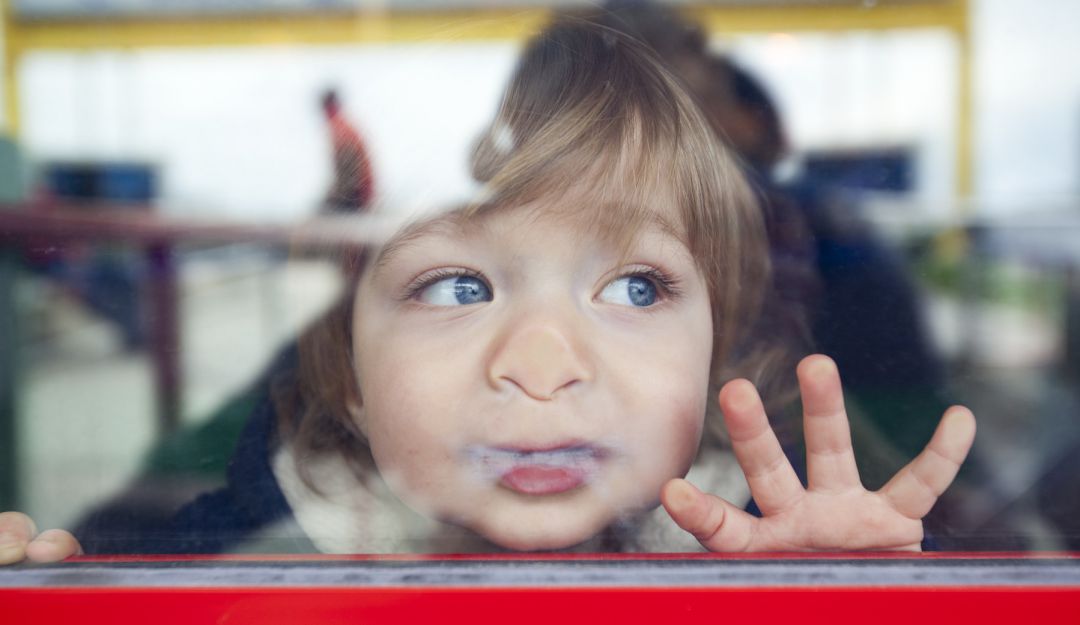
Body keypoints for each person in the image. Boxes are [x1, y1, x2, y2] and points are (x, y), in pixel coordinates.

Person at [0, 17, 975, 560]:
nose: (542, 367)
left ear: (716, 356)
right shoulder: (227, 555)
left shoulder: (752, 547)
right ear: (344, 374)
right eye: (459, 287)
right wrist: (70, 580)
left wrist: (838, 590)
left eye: (637, 289)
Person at [320, 88, 375, 214]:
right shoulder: (345, 126)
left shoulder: (340, 130)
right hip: (361, 194)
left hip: (358, 197)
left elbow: (349, 176)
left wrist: (335, 196)